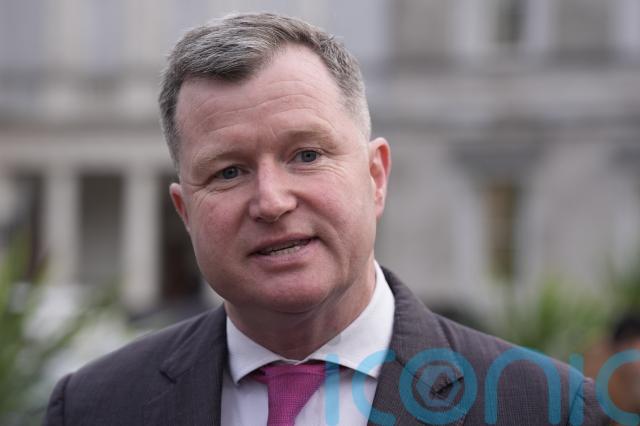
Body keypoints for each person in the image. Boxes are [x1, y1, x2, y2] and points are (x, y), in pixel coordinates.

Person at [44, 13, 608, 425]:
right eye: (229, 171)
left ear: (376, 177)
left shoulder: (548, 408)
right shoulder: (94, 407)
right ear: (185, 213)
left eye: (307, 155)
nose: (271, 201)